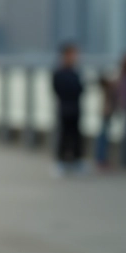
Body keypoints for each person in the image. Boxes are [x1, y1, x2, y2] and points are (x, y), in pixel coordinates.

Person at [51, 42, 84, 176]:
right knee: (63, 135)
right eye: (72, 54)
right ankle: (61, 162)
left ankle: (76, 161)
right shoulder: (59, 72)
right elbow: (58, 90)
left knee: (76, 135)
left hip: (75, 108)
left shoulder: (75, 72)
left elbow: (80, 89)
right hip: (65, 108)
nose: (75, 57)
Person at [95, 73, 117, 169]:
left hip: (105, 114)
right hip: (106, 115)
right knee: (104, 137)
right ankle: (101, 160)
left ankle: (101, 159)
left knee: (102, 136)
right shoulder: (108, 90)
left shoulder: (104, 90)